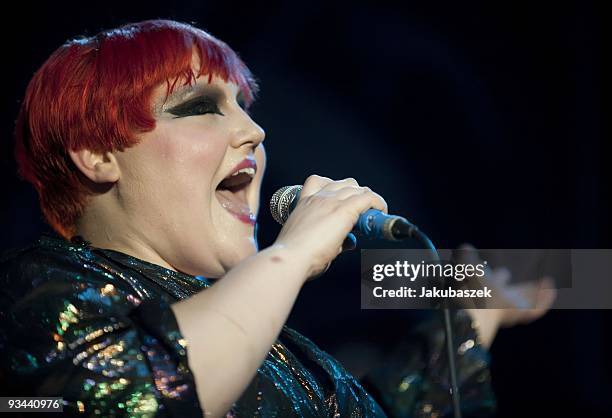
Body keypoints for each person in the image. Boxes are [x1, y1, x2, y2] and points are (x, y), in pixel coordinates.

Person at [0, 19, 554, 417]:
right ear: (97, 154)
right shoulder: (31, 290)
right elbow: (122, 396)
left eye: (244, 106)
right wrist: (291, 255)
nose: (255, 132)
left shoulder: (272, 344)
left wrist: (469, 318)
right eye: (200, 106)